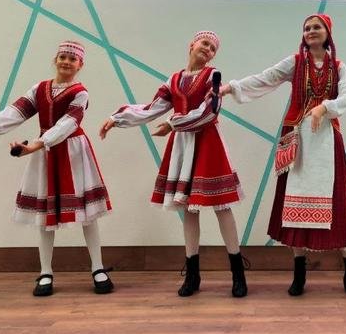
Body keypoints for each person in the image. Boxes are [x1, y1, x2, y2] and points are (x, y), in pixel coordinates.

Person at [221, 14, 346, 296]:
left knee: (337, 204)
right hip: (297, 141)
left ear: (328, 32)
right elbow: (266, 78)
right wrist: (231, 87)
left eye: (316, 27)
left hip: (327, 140)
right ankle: (299, 274)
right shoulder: (295, 62)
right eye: (306, 28)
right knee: (295, 202)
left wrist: (323, 107)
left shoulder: (339, 67)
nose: (310, 31)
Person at [99, 31, 247, 298]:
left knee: (222, 206)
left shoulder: (213, 75)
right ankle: (193, 274)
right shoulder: (174, 79)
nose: (208, 49)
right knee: (188, 208)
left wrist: (172, 123)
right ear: (192, 44)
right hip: (182, 145)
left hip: (208, 143)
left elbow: (210, 111)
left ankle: (238, 272)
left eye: (213, 48)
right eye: (204, 43)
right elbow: (153, 108)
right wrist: (117, 118)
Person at [0, 41, 113, 297]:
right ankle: (45, 271)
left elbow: (68, 124)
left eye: (72, 59)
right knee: (44, 213)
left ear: (80, 65)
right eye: (62, 57)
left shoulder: (80, 93)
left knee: (87, 213)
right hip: (44, 151)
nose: (66, 62)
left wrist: (35, 145)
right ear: (55, 60)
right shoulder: (40, 89)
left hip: (73, 151)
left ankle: (98, 267)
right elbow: (16, 111)